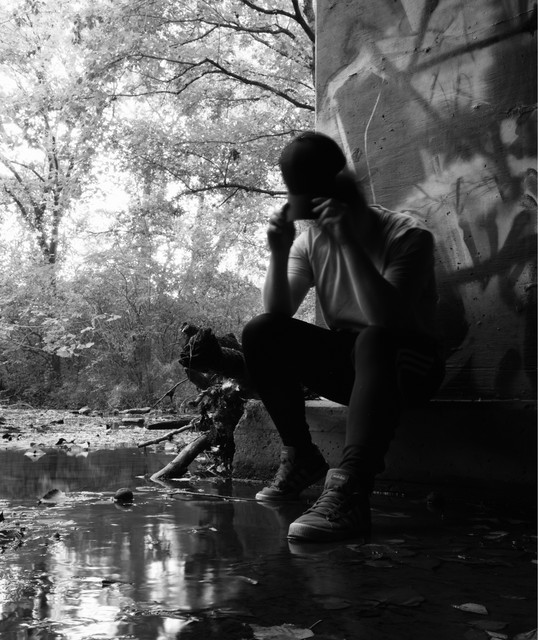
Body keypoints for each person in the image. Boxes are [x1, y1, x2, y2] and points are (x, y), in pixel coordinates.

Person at [241, 131, 445, 543]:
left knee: (374, 338)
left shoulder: (408, 236)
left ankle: (351, 490)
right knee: (260, 331)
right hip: (354, 364)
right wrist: (278, 251)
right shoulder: (310, 242)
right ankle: (302, 456)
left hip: (409, 364)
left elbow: (385, 319)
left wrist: (348, 242)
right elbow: (279, 311)